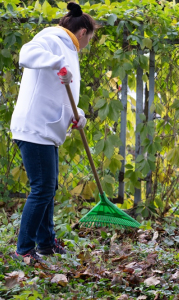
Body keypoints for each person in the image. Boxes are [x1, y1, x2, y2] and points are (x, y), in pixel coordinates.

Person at [10, 2, 96, 263]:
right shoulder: (53, 38)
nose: (89, 43)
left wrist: (77, 114)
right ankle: (24, 250)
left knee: (49, 186)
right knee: (42, 188)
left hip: (46, 129)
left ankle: (46, 243)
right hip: (34, 127)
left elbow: (60, 92)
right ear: (83, 32)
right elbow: (26, 54)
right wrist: (56, 62)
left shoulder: (68, 48)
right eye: (90, 38)